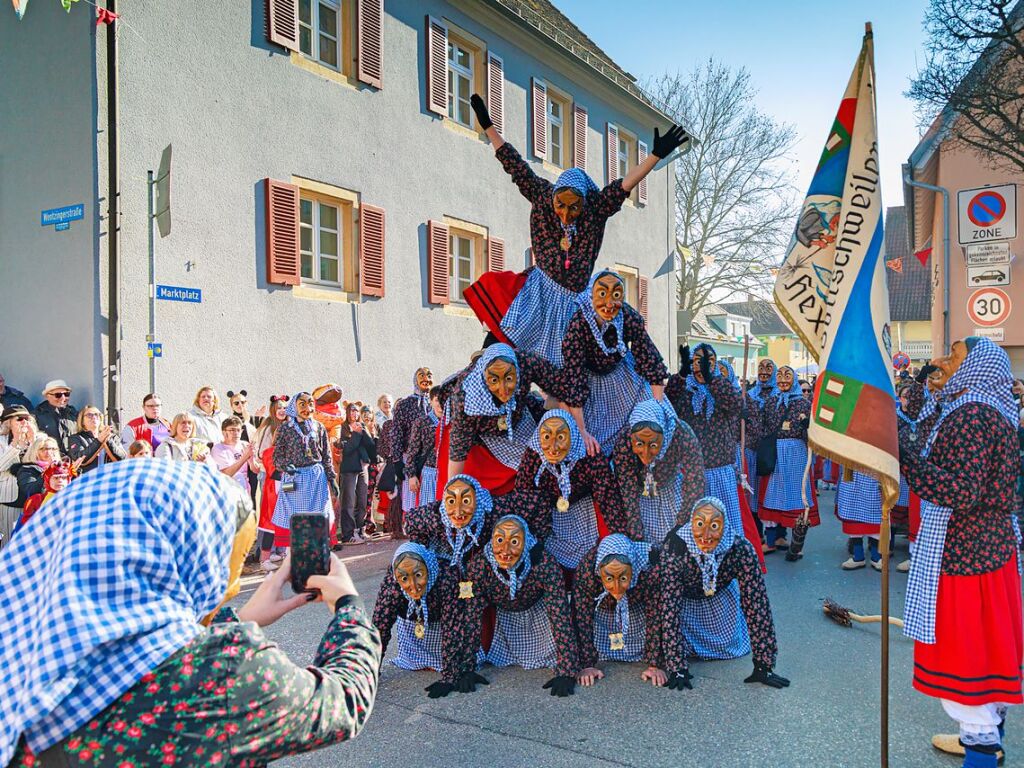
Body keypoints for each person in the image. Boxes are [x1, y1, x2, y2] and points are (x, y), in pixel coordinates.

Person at [0, 460, 381, 767]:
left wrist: (241, 617)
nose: (229, 583)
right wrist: (347, 603)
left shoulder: (23, 661)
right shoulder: (217, 671)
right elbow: (344, 700)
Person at [462, 92, 688, 366]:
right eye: (560, 205)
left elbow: (624, 185)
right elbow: (515, 165)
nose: (565, 214)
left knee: (574, 366)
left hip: (572, 302)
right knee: (502, 339)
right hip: (538, 294)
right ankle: (478, 385)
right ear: (553, 197)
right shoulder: (542, 195)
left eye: (573, 208)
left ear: (585, 202)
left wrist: (654, 156)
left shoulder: (596, 209)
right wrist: (488, 127)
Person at [900, 338, 1020, 767]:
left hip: (967, 556)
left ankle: (981, 748)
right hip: (991, 550)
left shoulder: (972, 416)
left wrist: (906, 461)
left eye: (953, 356)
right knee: (987, 653)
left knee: (967, 661)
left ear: (977, 367)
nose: (941, 362)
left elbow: (962, 492)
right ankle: (987, 736)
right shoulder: (985, 408)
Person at [665, 343, 758, 660]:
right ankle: (686, 626)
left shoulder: (725, 389)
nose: (699, 367)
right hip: (688, 477)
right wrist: (680, 374)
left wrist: (711, 376)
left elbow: (737, 408)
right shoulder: (684, 392)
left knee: (722, 547)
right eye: (695, 361)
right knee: (689, 546)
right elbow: (667, 403)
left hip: (719, 477)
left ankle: (727, 619)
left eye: (706, 362)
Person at [437, 514, 580, 698]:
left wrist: (566, 671)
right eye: (499, 540)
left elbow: (560, 615)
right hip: (503, 622)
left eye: (514, 541)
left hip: (537, 618)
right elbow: (471, 617)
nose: (505, 550)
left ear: (527, 542)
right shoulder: (480, 566)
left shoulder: (544, 564)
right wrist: (466, 668)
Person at [660, 498, 789, 692]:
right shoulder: (676, 549)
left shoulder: (740, 548)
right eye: (700, 524)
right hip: (685, 602)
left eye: (714, 526)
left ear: (725, 525)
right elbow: (669, 608)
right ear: (691, 523)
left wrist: (765, 663)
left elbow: (757, 603)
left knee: (726, 648)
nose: (706, 534)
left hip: (718, 599)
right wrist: (677, 667)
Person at [559, 269, 669, 455]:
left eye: (616, 295)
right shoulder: (578, 323)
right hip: (590, 384)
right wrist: (582, 431)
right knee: (593, 442)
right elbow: (574, 377)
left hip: (623, 377)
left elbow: (650, 358)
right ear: (591, 295)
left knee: (647, 427)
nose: (609, 303)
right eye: (602, 294)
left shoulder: (628, 315)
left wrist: (657, 408)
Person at [511, 408, 636, 570]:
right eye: (547, 437)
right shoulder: (534, 456)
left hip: (581, 505)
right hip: (545, 508)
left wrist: (621, 543)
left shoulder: (590, 456)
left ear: (573, 435)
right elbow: (522, 497)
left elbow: (608, 500)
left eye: (561, 437)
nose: (553, 447)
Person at [445, 343, 567, 487]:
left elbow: (561, 387)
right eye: (494, 380)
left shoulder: (527, 363)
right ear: (484, 377)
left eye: (509, 379)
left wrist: (580, 431)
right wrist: (452, 487)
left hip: (518, 416)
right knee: (531, 463)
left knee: (545, 454)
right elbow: (458, 449)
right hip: (484, 432)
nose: (503, 390)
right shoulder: (465, 399)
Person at [573, 534, 667, 688]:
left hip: (635, 614)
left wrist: (654, 664)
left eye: (623, 578)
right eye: (609, 579)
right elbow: (582, 616)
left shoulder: (648, 570)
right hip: (604, 613)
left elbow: (655, 615)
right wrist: (587, 664)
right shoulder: (587, 570)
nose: (617, 587)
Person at [613, 398, 705, 545]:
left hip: (670, 490)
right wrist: (636, 533)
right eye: (640, 444)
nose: (646, 452)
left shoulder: (681, 434)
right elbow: (627, 487)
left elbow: (695, 480)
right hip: (639, 494)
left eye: (653, 445)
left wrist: (681, 525)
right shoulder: (624, 441)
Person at [372, 543, 461, 672]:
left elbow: (454, 628)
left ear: (429, 569)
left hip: (442, 629)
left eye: (419, 575)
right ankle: (417, 658)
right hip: (414, 630)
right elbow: (379, 629)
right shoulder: (392, 589)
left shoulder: (446, 579)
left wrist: (451, 674)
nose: (413, 586)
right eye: (404, 578)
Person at [757, 365, 817, 553]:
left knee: (796, 495)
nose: (783, 380)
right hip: (776, 451)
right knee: (773, 493)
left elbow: (812, 434)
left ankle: (793, 540)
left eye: (787, 376)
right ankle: (773, 539)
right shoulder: (770, 401)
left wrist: (808, 427)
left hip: (796, 453)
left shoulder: (804, 404)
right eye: (780, 376)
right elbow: (763, 427)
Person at [271, 392, 336, 547]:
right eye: (303, 404)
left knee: (317, 515)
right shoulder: (285, 429)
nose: (308, 408)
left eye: (311, 404)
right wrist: (286, 466)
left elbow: (326, 455)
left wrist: (332, 479)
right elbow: (277, 457)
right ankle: (296, 553)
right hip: (295, 478)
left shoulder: (318, 427)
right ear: (294, 407)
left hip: (316, 477)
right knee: (296, 516)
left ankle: (316, 551)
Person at [253, 394, 289, 570]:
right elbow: (265, 457)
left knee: (285, 519)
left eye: (285, 407)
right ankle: (264, 556)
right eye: (279, 407)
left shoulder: (288, 425)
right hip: (271, 481)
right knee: (269, 520)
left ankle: (280, 551)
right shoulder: (268, 428)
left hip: (285, 483)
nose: (282, 410)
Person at [392, 368, 434, 516]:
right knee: (412, 499)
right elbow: (396, 432)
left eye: (429, 375)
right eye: (421, 376)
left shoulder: (436, 404)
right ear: (415, 380)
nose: (426, 379)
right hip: (410, 458)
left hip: (432, 460)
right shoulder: (405, 404)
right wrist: (397, 460)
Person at [337, 402, 372, 545]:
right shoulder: (342, 428)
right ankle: (348, 534)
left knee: (362, 501)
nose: (354, 414)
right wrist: (356, 435)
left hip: (362, 467)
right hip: (349, 469)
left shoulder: (361, 426)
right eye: (351, 411)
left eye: (356, 411)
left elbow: (370, 445)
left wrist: (364, 432)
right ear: (346, 413)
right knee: (349, 502)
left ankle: (360, 529)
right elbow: (348, 448)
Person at [404, 387, 442, 511]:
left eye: (444, 400)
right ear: (431, 401)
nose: (441, 403)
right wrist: (411, 475)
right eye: (437, 400)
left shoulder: (452, 422)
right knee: (428, 512)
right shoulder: (422, 422)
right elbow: (413, 451)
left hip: (448, 473)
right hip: (429, 473)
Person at [16, 459, 73, 533]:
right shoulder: (35, 500)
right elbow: (26, 526)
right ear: (47, 479)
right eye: (56, 477)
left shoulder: (74, 498)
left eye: (64, 477)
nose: (60, 480)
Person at [67, 405, 126, 473]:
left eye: (97, 415)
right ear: (82, 421)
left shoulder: (112, 437)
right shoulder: (76, 438)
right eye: (89, 415)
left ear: (100, 419)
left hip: (110, 477)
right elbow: (79, 458)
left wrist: (108, 440)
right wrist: (98, 441)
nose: (94, 417)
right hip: (89, 478)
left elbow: (122, 457)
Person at [211, 416, 257, 493]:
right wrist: (245, 457)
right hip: (228, 491)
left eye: (238, 430)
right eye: (232, 430)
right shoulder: (218, 448)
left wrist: (251, 460)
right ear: (224, 432)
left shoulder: (245, 445)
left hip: (244, 490)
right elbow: (227, 474)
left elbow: (256, 470)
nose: (236, 433)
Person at [33, 379, 78, 455]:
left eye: (66, 394)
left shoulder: (73, 412)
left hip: (72, 459)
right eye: (58, 395)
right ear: (47, 396)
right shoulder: (37, 414)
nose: (63, 398)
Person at [15, 436, 60, 509]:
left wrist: (72, 474)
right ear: (34, 451)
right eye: (43, 449)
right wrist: (47, 472)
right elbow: (30, 491)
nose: (48, 452)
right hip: (36, 511)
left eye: (53, 449)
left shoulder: (61, 468)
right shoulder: (27, 469)